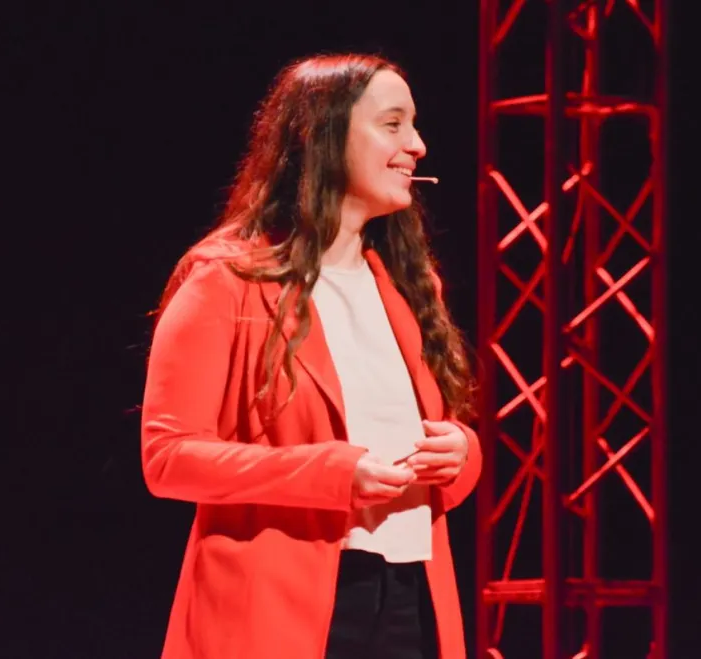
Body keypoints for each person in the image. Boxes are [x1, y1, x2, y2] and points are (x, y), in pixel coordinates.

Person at [140, 53, 481, 659]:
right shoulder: (225, 279)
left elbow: (428, 439)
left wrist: (461, 452)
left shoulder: (408, 284)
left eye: (415, 125)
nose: (418, 145)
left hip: (411, 593)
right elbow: (168, 457)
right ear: (324, 136)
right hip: (281, 603)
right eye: (393, 124)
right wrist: (331, 473)